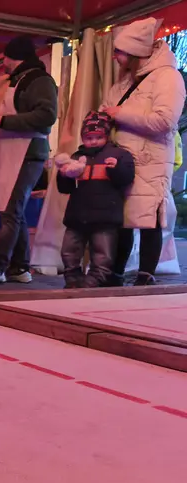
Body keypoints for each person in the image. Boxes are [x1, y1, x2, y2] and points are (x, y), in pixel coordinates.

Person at [102, 17, 186, 286]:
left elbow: (165, 121)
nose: (115, 57)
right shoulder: (125, 80)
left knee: (149, 217)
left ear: (134, 51)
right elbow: (108, 108)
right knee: (122, 218)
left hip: (151, 159)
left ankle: (145, 275)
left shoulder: (168, 77)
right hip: (122, 159)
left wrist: (119, 114)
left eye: (119, 51)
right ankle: (115, 273)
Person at [0, 36, 58, 286]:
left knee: (10, 209)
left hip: (29, 152)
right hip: (12, 151)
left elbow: (46, 116)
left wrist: (4, 121)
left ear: (14, 57)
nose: (3, 62)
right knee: (14, 210)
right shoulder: (18, 81)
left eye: (5, 57)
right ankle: (20, 267)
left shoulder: (40, 80)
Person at [56, 111, 136, 288]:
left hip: (106, 217)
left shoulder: (120, 155)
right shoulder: (76, 157)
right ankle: (72, 279)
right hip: (77, 215)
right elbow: (65, 188)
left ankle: (95, 280)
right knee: (69, 251)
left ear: (107, 136)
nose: (93, 141)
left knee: (103, 253)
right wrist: (63, 175)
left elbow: (126, 179)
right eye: (88, 137)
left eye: (98, 137)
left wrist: (116, 169)